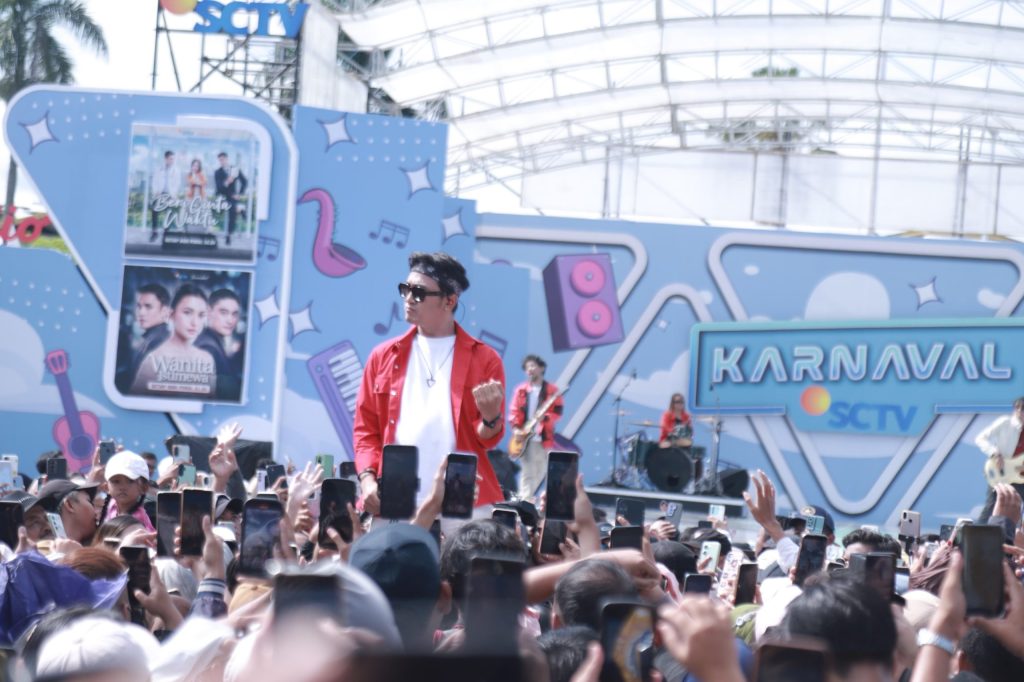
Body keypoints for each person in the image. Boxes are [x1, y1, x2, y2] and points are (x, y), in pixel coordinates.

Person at [353, 252, 506, 514]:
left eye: (419, 293)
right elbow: (365, 431)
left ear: (449, 301)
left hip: (463, 500)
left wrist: (492, 418)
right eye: (406, 289)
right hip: (393, 499)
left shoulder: (485, 359)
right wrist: (367, 480)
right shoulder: (382, 356)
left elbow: (486, 440)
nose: (408, 299)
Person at [130, 284, 217, 398]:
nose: (195, 322)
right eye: (187, 312)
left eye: (201, 315)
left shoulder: (207, 359)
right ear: (171, 314)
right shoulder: (153, 359)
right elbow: (135, 401)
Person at [508, 354, 565, 502]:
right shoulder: (521, 390)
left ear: (542, 368)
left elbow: (557, 413)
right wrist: (516, 429)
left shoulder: (552, 390)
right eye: (527, 367)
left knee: (540, 472)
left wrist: (545, 418)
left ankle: (528, 501)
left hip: (543, 438)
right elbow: (514, 411)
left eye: (533, 366)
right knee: (528, 472)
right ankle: (525, 502)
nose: (530, 370)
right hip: (525, 437)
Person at [974, 396, 1024, 521]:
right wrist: (995, 453)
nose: (1020, 412)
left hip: (1020, 475)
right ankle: (976, 532)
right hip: (1000, 471)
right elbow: (980, 438)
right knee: (991, 507)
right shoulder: (1005, 423)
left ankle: (1011, 532)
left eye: (1022, 409)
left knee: (1015, 511)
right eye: (1019, 408)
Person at [114, 283, 170, 393]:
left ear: (164, 311)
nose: (141, 313)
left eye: (148, 307)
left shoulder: (159, 342)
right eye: (139, 306)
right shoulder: (152, 338)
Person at [195, 288, 245, 401]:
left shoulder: (211, 342)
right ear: (209, 312)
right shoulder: (208, 348)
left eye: (234, 314)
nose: (230, 320)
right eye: (223, 313)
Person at [102, 451, 155, 532]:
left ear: (144, 488)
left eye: (130, 481)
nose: (122, 487)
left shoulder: (138, 523)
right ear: (106, 487)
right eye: (116, 481)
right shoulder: (110, 507)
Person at [214, 151, 247, 246]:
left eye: (223, 159)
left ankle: (228, 234)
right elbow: (219, 188)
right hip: (222, 197)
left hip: (232, 197)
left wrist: (239, 194)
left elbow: (244, 181)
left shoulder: (234, 169)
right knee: (233, 207)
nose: (221, 162)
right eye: (220, 160)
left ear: (227, 159)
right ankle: (240, 209)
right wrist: (227, 182)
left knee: (232, 208)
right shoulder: (218, 172)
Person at [149, 150, 181, 242]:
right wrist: (156, 191)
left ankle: (166, 233)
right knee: (155, 212)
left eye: (173, 159)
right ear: (166, 159)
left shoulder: (176, 170)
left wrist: (174, 194)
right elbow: (154, 181)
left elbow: (177, 183)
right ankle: (154, 233)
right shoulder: (159, 169)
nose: (172, 161)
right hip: (159, 194)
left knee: (169, 214)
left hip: (170, 195)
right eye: (171, 159)